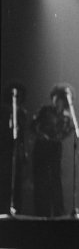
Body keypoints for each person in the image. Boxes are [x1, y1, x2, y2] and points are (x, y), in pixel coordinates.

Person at [31, 84, 75, 216]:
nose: (55, 101)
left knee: (55, 179)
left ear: (63, 100)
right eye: (54, 98)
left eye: (58, 99)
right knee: (41, 179)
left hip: (55, 147)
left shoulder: (67, 115)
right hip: (42, 146)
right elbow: (33, 126)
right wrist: (41, 135)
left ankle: (58, 211)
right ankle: (41, 211)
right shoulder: (45, 110)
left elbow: (70, 130)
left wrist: (60, 137)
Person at [0, 83, 28, 214]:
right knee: (5, 179)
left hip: (17, 149)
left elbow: (23, 134)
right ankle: (4, 208)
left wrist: (24, 150)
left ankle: (17, 208)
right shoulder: (4, 110)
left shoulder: (22, 112)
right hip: (5, 149)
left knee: (17, 180)